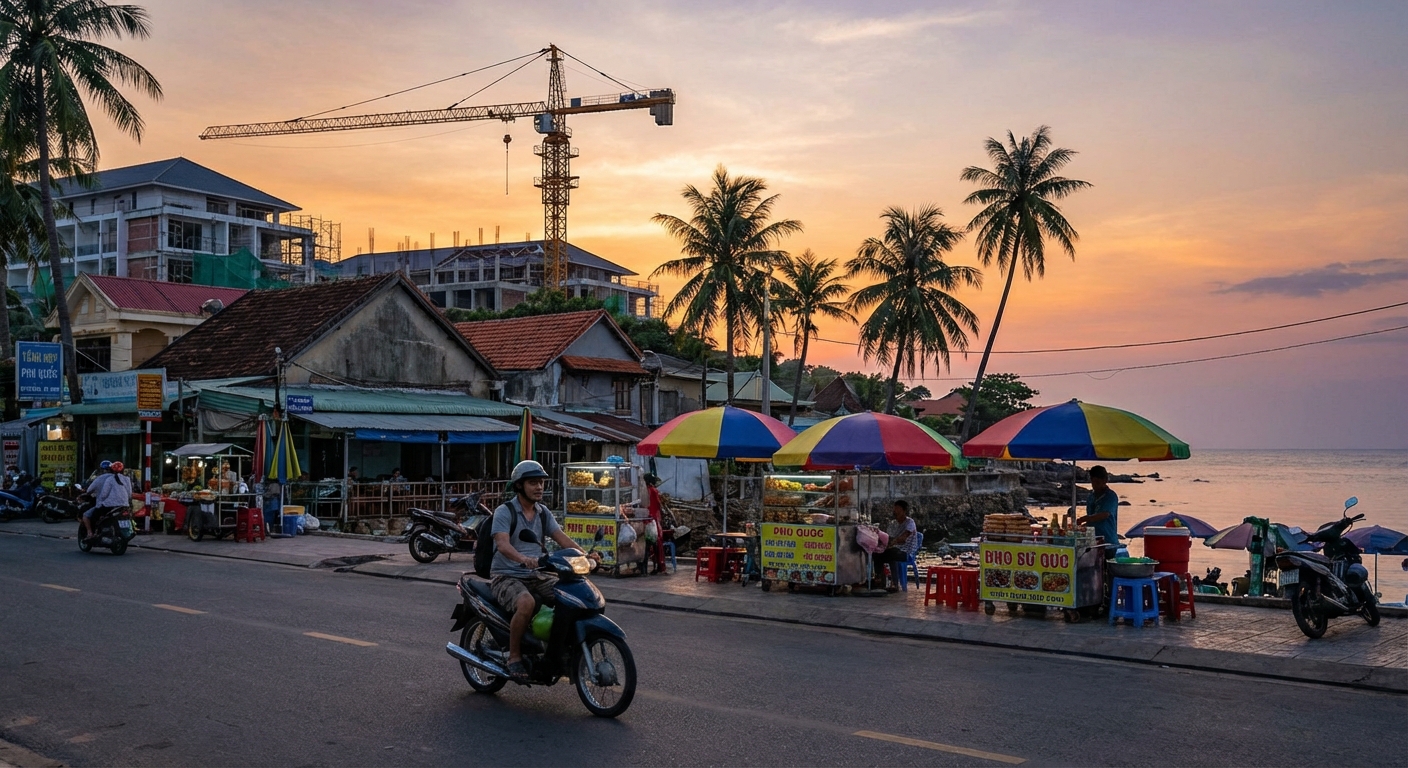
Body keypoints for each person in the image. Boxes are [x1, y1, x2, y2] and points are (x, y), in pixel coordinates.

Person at [490, 460, 582, 680]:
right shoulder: (505, 511)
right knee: (526, 602)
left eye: (541, 482)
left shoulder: (542, 512)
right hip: (506, 575)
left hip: (536, 574)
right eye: (533, 483)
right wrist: (522, 558)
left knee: (572, 596)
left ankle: (556, 652)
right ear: (520, 485)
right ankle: (514, 657)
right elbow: (502, 544)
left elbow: (562, 539)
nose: (539, 487)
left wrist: (584, 555)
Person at [872, 500, 919, 592]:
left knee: (891, 554)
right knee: (876, 554)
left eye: (898, 509)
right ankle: (880, 581)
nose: (895, 511)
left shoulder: (910, 522)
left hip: (906, 552)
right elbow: (887, 537)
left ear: (904, 511)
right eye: (894, 509)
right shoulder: (893, 523)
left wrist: (892, 543)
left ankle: (894, 583)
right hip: (894, 549)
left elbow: (903, 538)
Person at [83, 461, 133, 541]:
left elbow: (103, 494)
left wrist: (102, 500)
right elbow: (129, 493)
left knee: (94, 516)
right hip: (124, 505)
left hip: (109, 505)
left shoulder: (109, 479)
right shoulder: (127, 479)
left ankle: (92, 533)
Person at [1077, 465, 1120, 553]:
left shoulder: (1110, 496)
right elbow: (1091, 521)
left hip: (1108, 542)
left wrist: (1085, 518)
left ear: (1105, 481)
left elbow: (1105, 514)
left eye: (1098, 482)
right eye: (1093, 482)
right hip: (1092, 542)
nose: (1095, 485)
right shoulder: (1091, 497)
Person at [643, 473, 668, 575]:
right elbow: (658, 505)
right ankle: (659, 565)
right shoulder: (653, 490)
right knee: (655, 544)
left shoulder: (647, 490)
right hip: (653, 520)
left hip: (648, 519)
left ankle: (651, 567)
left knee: (649, 545)